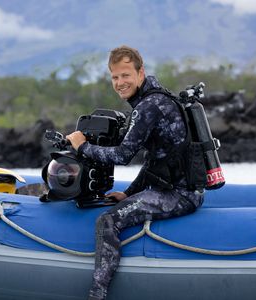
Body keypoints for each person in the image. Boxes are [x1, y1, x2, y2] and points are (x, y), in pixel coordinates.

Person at [66, 45, 204, 300]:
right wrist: (129, 193)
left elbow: (122, 156)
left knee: (106, 221)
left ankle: (96, 294)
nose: (120, 82)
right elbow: (156, 160)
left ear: (141, 73)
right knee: (116, 207)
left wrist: (82, 146)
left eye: (126, 75)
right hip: (176, 187)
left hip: (179, 195)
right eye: (115, 77)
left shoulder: (149, 106)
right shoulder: (156, 98)